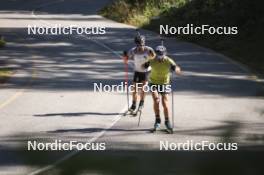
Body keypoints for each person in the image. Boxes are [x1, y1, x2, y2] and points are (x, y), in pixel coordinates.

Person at [143, 44, 181, 132]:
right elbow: (143, 66)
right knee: (156, 100)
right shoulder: (152, 60)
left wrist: (176, 70)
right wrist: (145, 67)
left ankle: (167, 122)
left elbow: (177, 68)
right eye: (159, 55)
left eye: (162, 55)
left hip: (165, 83)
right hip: (153, 83)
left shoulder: (169, 61)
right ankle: (157, 120)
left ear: (165, 54)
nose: (160, 58)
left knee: (165, 103)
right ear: (156, 54)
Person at [123, 33, 155, 115]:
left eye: (141, 45)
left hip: (146, 72)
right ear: (136, 44)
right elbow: (126, 59)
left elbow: (154, 58)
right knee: (135, 89)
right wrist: (125, 56)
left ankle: (141, 103)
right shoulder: (133, 50)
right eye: (138, 45)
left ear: (144, 44)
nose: (140, 47)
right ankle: (133, 105)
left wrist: (149, 62)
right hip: (137, 71)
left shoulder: (148, 50)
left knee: (143, 88)